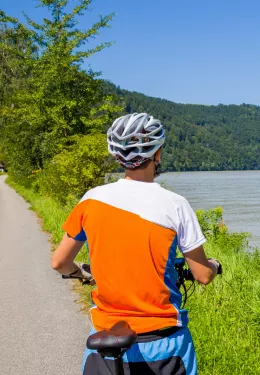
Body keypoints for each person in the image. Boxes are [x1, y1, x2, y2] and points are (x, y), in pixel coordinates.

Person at [51, 113, 220, 374]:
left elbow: (60, 262)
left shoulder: (90, 200)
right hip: (164, 346)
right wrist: (212, 266)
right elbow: (203, 275)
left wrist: (82, 272)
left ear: (117, 156)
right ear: (158, 154)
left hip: (104, 342)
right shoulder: (175, 205)